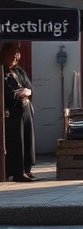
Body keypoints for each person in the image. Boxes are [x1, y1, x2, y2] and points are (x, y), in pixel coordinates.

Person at [1, 42, 36, 182]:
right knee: (17, 141)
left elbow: (28, 88)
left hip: (25, 107)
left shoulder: (19, 71)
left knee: (28, 138)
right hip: (12, 111)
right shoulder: (2, 71)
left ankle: (27, 169)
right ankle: (17, 171)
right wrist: (20, 93)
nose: (15, 58)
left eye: (17, 55)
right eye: (12, 55)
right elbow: (8, 93)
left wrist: (25, 92)